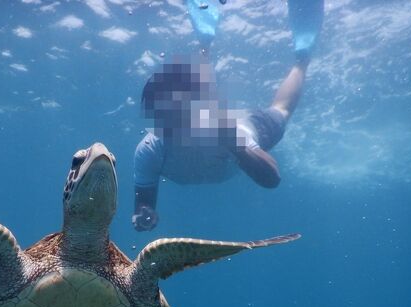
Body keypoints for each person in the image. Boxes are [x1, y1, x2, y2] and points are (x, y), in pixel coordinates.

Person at [132, 0, 324, 232]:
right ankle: (204, 42)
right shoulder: (150, 150)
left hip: (249, 124)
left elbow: (272, 180)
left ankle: (302, 60)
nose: (176, 126)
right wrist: (144, 213)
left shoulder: (225, 131)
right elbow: (143, 204)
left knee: (281, 110)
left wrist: (236, 146)